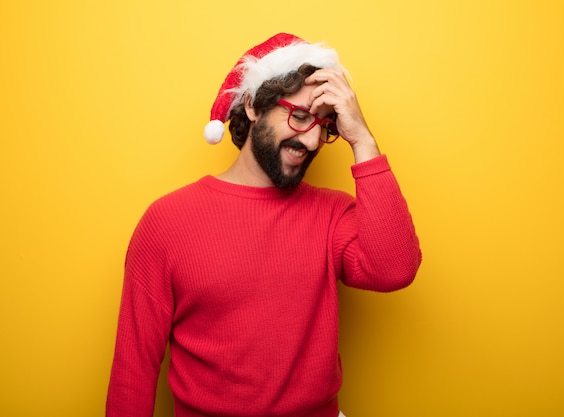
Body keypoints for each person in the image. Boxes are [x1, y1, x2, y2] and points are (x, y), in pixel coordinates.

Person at [106, 32, 421, 417]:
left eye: (325, 125)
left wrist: (362, 140)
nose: (311, 140)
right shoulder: (167, 222)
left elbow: (394, 269)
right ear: (253, 106)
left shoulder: (333, 214)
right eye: (300, 116)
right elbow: (133, 369)